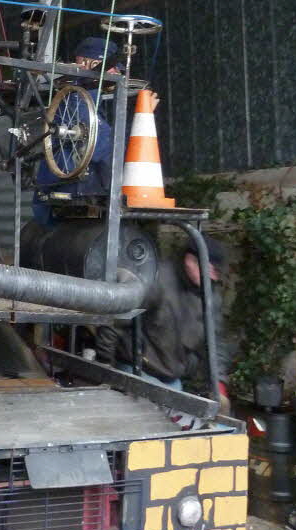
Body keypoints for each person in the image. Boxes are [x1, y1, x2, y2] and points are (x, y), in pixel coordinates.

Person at [97, 237, 230, 407]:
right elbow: (115, 321)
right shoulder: (156, 279)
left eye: (216, 273)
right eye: (209, 270)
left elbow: (215, 341)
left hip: (173, 379)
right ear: (190, 260)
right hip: (136, 371)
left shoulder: (210, 297)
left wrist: (218, 384)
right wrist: (105, 367)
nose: (213, 278)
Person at [32, 36, 119, 222]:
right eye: (114, 68)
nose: (117, 74)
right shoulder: (81, 97)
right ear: (93, 63)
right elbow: (103, 147)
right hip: (66, 198)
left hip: (53, 194)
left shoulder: (75, 94)